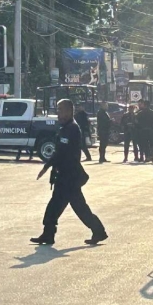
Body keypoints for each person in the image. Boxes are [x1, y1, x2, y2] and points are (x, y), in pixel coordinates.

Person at [31, 99, 108, 245]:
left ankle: (50, 234)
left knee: (61, 207)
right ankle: (98, 231)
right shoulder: (65, 127)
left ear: (69, 111)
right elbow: (59, 151)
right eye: (58, 110)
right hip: (65, 176)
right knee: (74, 207)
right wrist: (47, 167)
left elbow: (62, 153)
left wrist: (48, 166)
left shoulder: (72, 128)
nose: (58, 113)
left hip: (69, 177)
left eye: (61, 110)